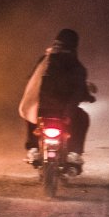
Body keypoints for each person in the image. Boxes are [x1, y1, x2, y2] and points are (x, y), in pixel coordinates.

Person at [18, 28, 95, 167]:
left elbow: (32, 81)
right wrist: (85, 99)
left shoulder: (44, 61)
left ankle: (34, 148)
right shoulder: (77, 67)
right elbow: (78, 91)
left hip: (42, 109)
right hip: (64, 113)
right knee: (83, 117)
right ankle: (74, 153)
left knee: (30, 115)